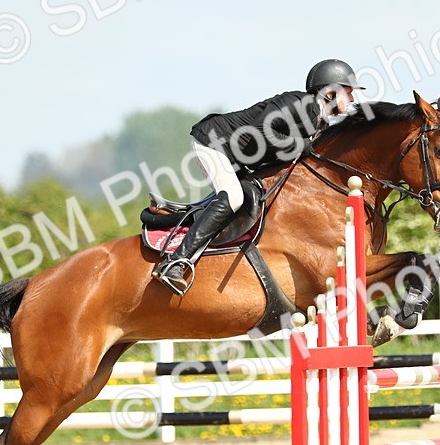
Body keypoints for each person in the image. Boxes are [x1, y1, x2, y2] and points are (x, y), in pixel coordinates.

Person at [152, 59, 365, 296]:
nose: (353, 99)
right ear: (330, 92)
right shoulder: (299, 103)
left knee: (251, 197)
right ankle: (175, 262)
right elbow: (262, 130)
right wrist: (298, 144)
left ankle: (171, 214)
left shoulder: (318, 121)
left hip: (236, 157)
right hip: (213, 143)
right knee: (233, 197)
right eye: (348, 92)